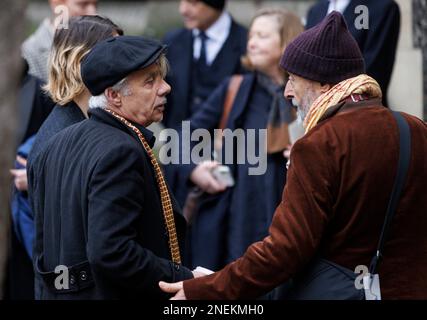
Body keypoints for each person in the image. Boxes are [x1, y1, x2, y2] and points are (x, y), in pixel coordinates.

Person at [159, 12, 427, 300]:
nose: (288, 91)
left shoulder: (319, 144)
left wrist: (207, 288)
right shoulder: (415, 128)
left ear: (323, 84)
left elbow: (285, 252)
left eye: (294, 80)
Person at [28, 36, 199, 300]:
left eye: (161, 78)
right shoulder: (121, 151)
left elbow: (43, 251)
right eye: (150, 81)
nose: (165, 88)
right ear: (114, 96)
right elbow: (111, 252)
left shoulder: (58, 143)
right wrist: (184, 279)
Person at [177, 8, 303, 271]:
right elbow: (185, 135)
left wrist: (307, 152)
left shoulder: (307, 94)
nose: (252, 42)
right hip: (240, 213)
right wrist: (195, 169)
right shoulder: (235, 88)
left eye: (263, 35)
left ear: (288, 41)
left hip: (291, 214)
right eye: (251, 35)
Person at [24, 15, 122, 299]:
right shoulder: (60, 139)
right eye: (114, 52)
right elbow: (67, 248)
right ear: (80, 61)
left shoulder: (83, 122)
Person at [162, 0, 247, 130]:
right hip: (178, 143)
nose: (183, 10)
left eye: (193, 3)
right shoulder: (172, 41)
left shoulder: (248, 44)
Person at [305, 0, 400, 107]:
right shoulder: (315, 11)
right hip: (312, 114)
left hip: (358, 113)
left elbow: (371, 76)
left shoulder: (381, 7)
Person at [22, 0, 98, 82]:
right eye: (83, 5)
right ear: (56, 4)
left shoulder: (96, 46)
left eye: (95, 5)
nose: (93, 13)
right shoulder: (29, 53)